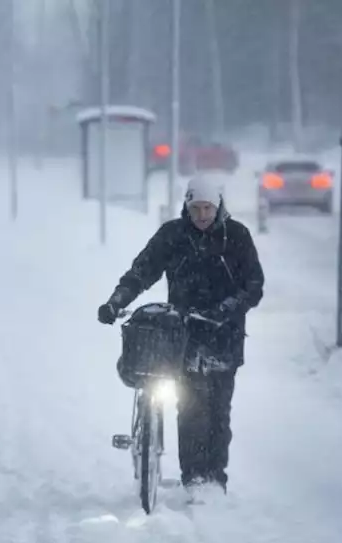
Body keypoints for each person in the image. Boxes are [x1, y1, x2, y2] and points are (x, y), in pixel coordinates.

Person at [98, 175, 264, 503]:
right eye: (196, 207)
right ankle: (195, 478)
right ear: (186, 206)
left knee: (219, 410)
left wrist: (225, 309)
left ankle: (215, 478)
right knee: (191, 409)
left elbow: (253, 285)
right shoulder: (172, 235)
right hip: (183, 335)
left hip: (224, 337)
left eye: (207, 208)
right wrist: (117, 300)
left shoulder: (237, 237)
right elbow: (141, 272)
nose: (202, 214)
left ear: (218, 208)